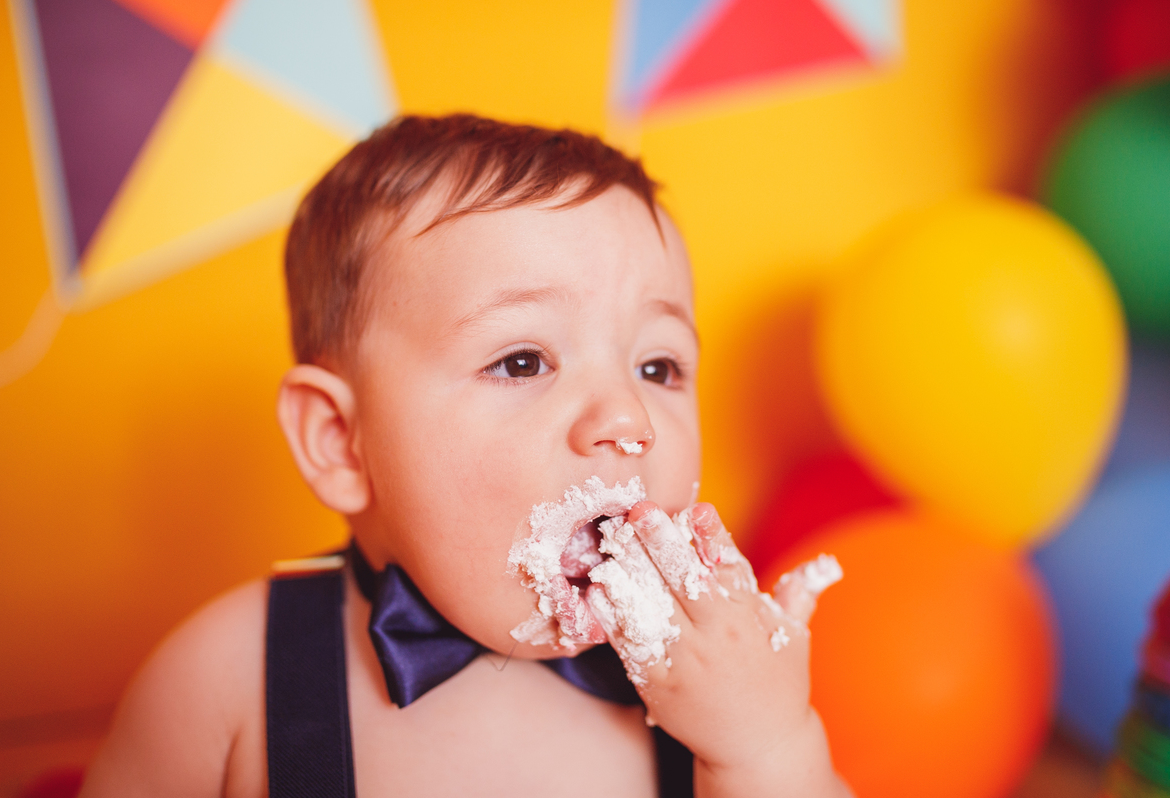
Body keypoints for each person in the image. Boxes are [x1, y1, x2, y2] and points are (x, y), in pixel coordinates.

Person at [80, 114, 851, 797]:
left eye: (659, 368)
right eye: (522, 361)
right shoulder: (223, 679)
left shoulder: (722, 679)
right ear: (341, 441)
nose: (630, 418)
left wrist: (768, 749)